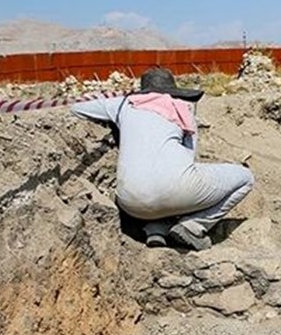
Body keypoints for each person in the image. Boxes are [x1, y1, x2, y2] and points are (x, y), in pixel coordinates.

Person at [70, 67, 255, 251]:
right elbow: (188, 158)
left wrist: (115, 101)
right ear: (173, 91)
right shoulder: (182, 109)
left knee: (158, 183)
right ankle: (193, 227)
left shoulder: (123, 105)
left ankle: (156, 229)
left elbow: (76, 106)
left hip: (129, 203)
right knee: (245, 178)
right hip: (176, 191)